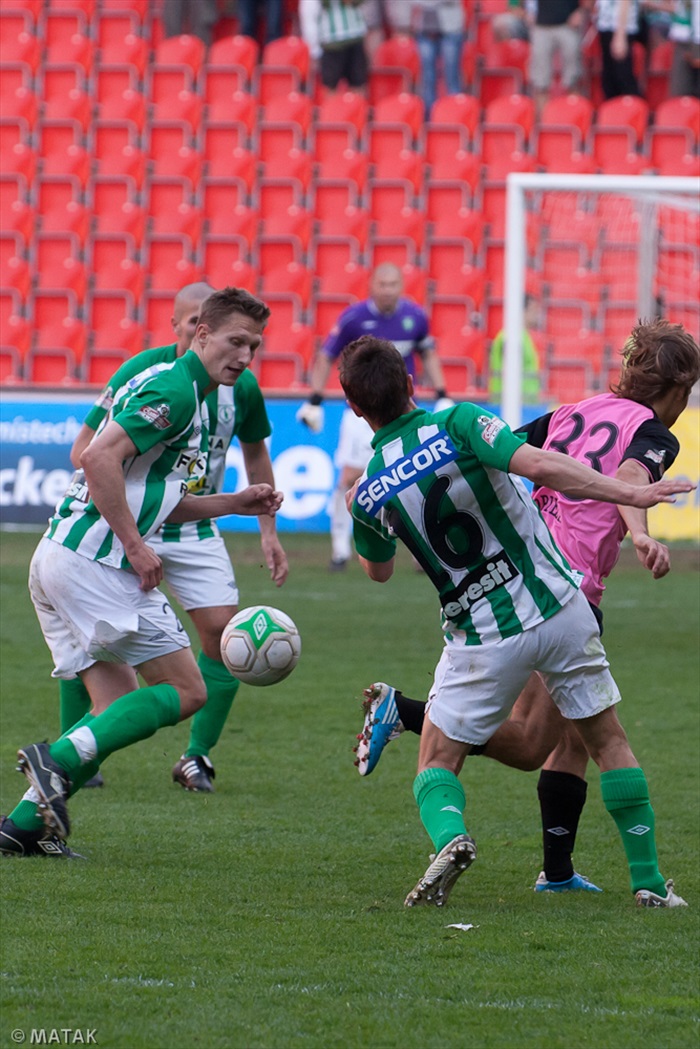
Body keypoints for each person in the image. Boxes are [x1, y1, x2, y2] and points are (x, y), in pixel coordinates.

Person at [339, 332, 693, 908]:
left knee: (439, 762)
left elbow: (377, 571)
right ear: (410, 382)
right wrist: (634, 506)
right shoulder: (461, 423)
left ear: (355, 408)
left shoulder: (367, 495)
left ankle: (451, 838)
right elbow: (541, 464)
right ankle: (650, 885)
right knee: (604, 741)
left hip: (483, 634)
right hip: (563, 603)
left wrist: (365, 508)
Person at [0, 288, 283, 858]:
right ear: (200, 333)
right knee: (187, 689)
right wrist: (134, 546)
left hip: (61, 556)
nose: (245, 356)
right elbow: (95, 457)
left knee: (114, 711)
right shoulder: (175, 390)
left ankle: (21, 828)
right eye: (235, 341)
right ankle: (55, 760)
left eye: (253, 346)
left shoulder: (188, 391)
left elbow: (150, 496)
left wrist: (233, 503)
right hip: (94, 563)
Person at [62, 282, 288, 795]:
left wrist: (267, 531)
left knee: (223, 632)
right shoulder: (147, 375)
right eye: (190, 324)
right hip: (130, 521)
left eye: (251, 345)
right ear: (187, 328)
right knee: (91, 638)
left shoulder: (240, 386)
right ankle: (76, 750)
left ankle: (195, 755)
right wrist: (124, 497)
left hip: (194, 522)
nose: (243, 354)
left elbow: (256, 452)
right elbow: (86, 451)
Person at [297, 263, 453, 570]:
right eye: (382, 284)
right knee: (350, 477)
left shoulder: (415, 317)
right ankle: (340, 550)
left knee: (420, 476)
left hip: (405, 412)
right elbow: (327, 356)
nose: (388, 290)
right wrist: (315, 399)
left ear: (401, 286)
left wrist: (442, 393)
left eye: (393, 284)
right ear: (372, 286)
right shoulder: (354, 319)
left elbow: (428, 354)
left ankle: (424, 551)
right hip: (361, 414)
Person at [527, 0, 585, 116]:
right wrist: (528, 11)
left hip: (568, 25)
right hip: (542, 25)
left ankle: (575, 116)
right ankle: (544, 119)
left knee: (573, 77)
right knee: (540, 81)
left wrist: (582, 11)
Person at [299, 0, 369, 97]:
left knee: (358, 84)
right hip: (331, 42)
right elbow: (309, 15)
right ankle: (331, 108)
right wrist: (314, 49)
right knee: (330, 87)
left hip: (355, 36)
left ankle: (358, 107)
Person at [410, 0, 465, 119]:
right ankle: (430, 118)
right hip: (424, 29)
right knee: (427, 78)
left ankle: (456, 116)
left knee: (451, 76)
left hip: (451, 29)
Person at [488, 294, 542, 405]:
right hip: (507, 404)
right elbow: (509, 371)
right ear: (521, 311)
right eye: (533, 309)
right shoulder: (511, 337)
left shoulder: (524, 336)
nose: (537, 314)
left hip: (525, 403)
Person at [595, 0, 643, 99]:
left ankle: (632, 105)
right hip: (606, 27)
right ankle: (613, 105)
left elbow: (625, 3)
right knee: (609, 77)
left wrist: (620, 36)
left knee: (622, 75)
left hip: (618, 29)